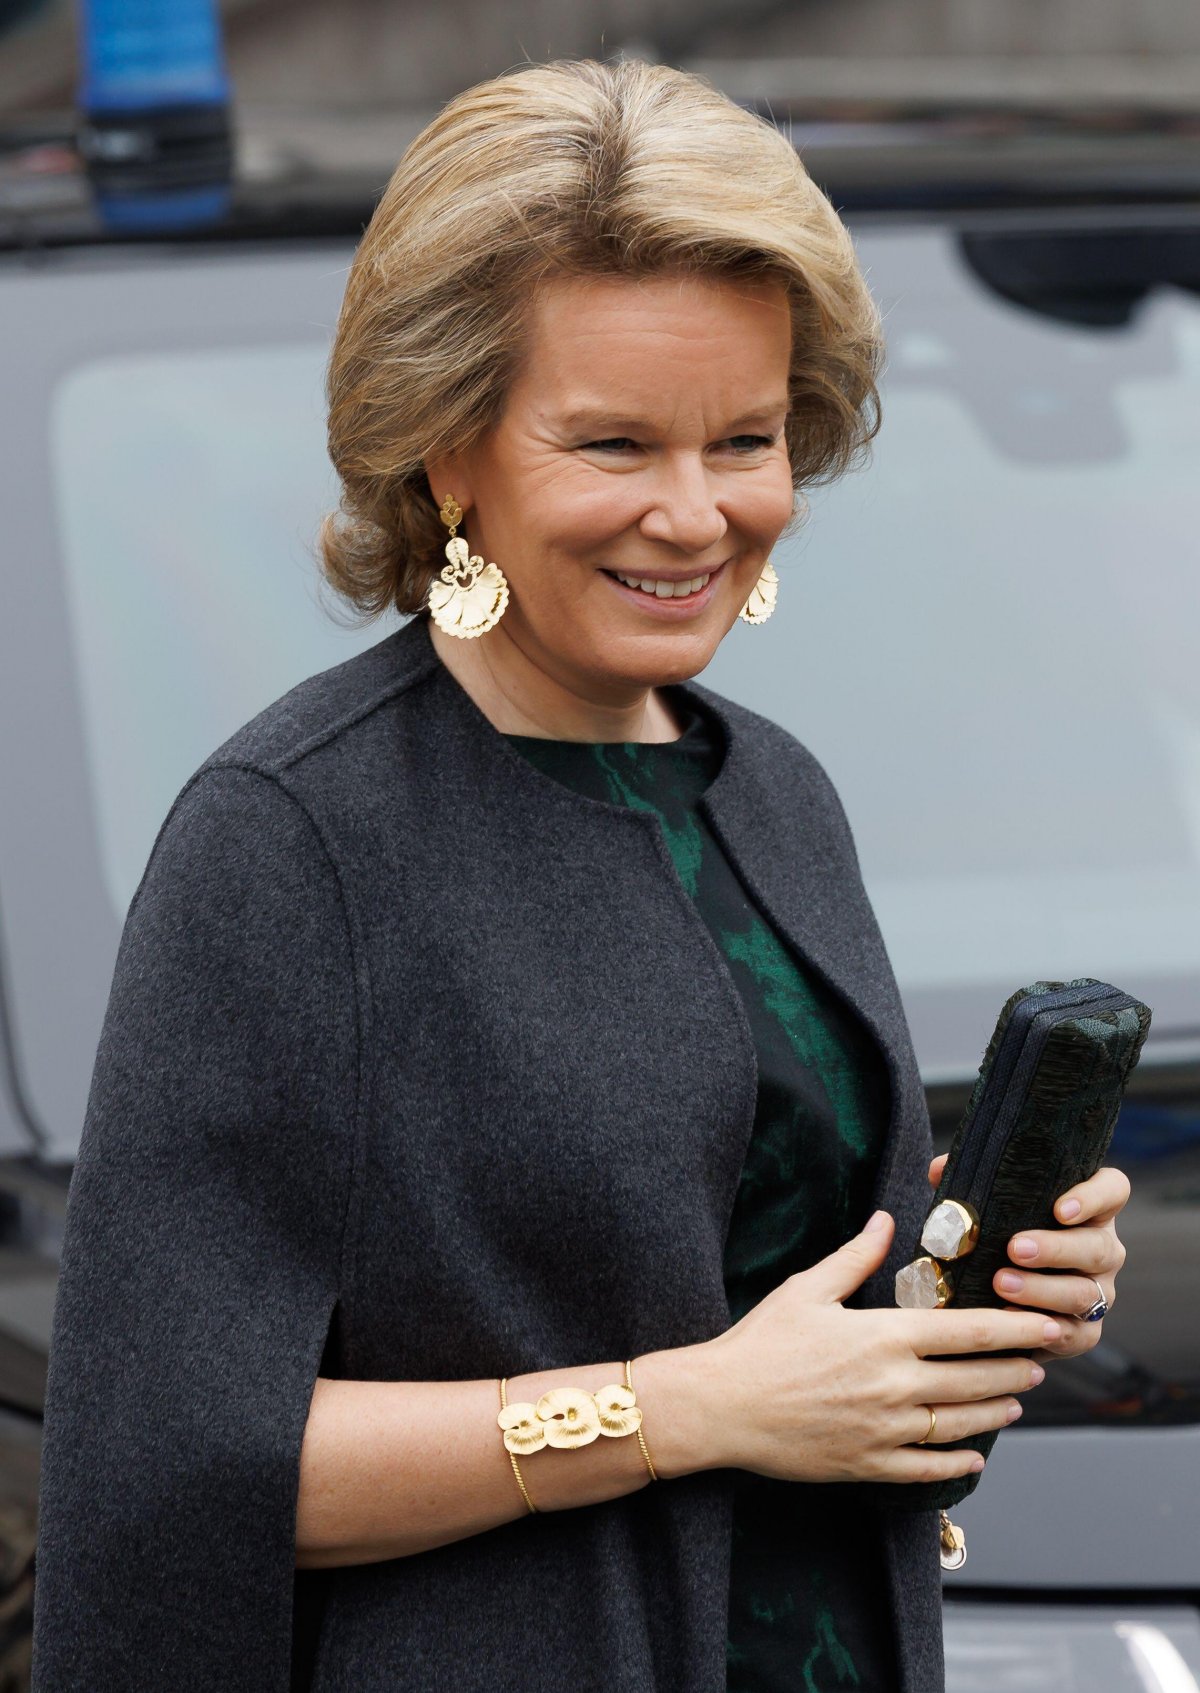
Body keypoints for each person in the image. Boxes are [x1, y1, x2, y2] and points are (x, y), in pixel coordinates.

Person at [32, 57, 1131, 1693]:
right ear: (447, 451)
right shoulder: (291, 836)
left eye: (745, 438)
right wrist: (670, 1410)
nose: (695, 515)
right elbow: (166, 1466)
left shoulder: (777, 794)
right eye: (613, 441)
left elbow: (766, 1304)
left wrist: (965, 1297)